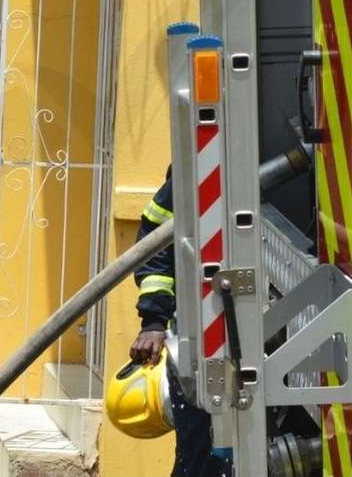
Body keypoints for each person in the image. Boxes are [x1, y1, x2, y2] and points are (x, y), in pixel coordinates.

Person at [131, 167, 230, 477]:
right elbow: (155, 239)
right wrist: (154, 321)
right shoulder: (193, 175)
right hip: (198, 343)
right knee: (198, 459)